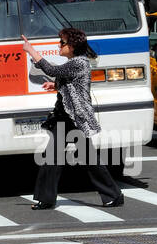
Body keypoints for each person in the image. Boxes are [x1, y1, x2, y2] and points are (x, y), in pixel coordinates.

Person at [23, 28, 123, 211]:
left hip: (74, 117)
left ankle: (114, 195)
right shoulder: (75, 63)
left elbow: (52, 69)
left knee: (84, 158)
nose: (58, 45)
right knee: (54, 156)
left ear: (72, 46)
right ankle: (47, 199)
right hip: (65, 114)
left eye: (62, 43)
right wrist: (55, 85)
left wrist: (31, 50)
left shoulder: (79, 62)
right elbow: (69, 83)